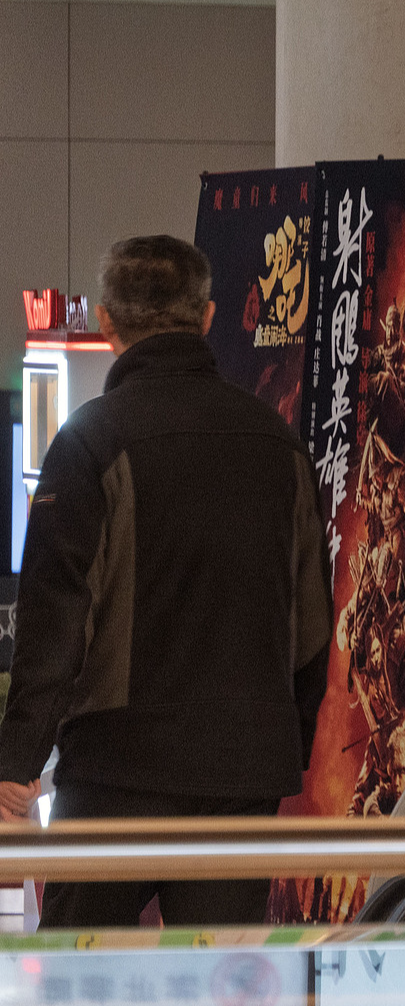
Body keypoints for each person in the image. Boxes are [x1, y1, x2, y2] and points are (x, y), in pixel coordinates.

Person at [0, 236, 332, 926]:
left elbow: (54, 626)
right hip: (242, 770)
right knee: (219, 981)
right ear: (208, 318)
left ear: (105, 321)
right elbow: (311, 623)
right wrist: (285, 741)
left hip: (118, 768)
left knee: (80, 973)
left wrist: (17, 764)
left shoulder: (91, 441)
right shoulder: (278, 443)